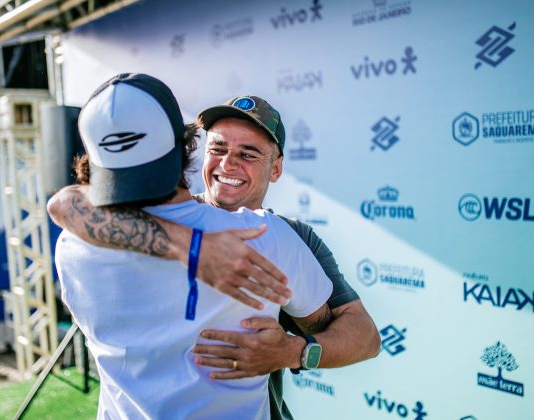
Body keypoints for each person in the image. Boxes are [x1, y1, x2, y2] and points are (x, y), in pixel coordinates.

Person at [49, 94, 381, 419]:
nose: (227, 163)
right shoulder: (142, 221)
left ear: (276, 168)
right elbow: (65, 204)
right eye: (217, 148)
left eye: (248, 154)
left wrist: (294, 351)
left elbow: (364, 336)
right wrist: (192, 246)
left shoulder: (287, 236)